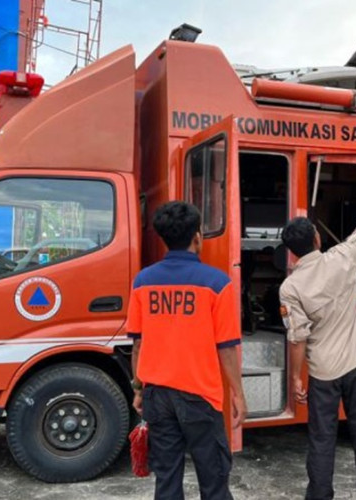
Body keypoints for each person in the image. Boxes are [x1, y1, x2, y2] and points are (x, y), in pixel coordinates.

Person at [279, 163, 356, 500]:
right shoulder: (343, 258)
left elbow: (297, 338)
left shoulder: (290, 288)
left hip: (323, 373)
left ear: (291, 251)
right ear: (316, 239)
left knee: (321, 438)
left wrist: (296, 377)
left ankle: (319, 495)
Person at [126, 201, 247, 500]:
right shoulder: (217, 283)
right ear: (197, 237)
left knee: (166, 478)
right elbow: (226, 348)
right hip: (200, 397)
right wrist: (237, 393)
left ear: (164, 238)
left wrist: (138, 388)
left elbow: (138, 343)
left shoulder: (143, 282)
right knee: (214, 478)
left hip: (157, 395)